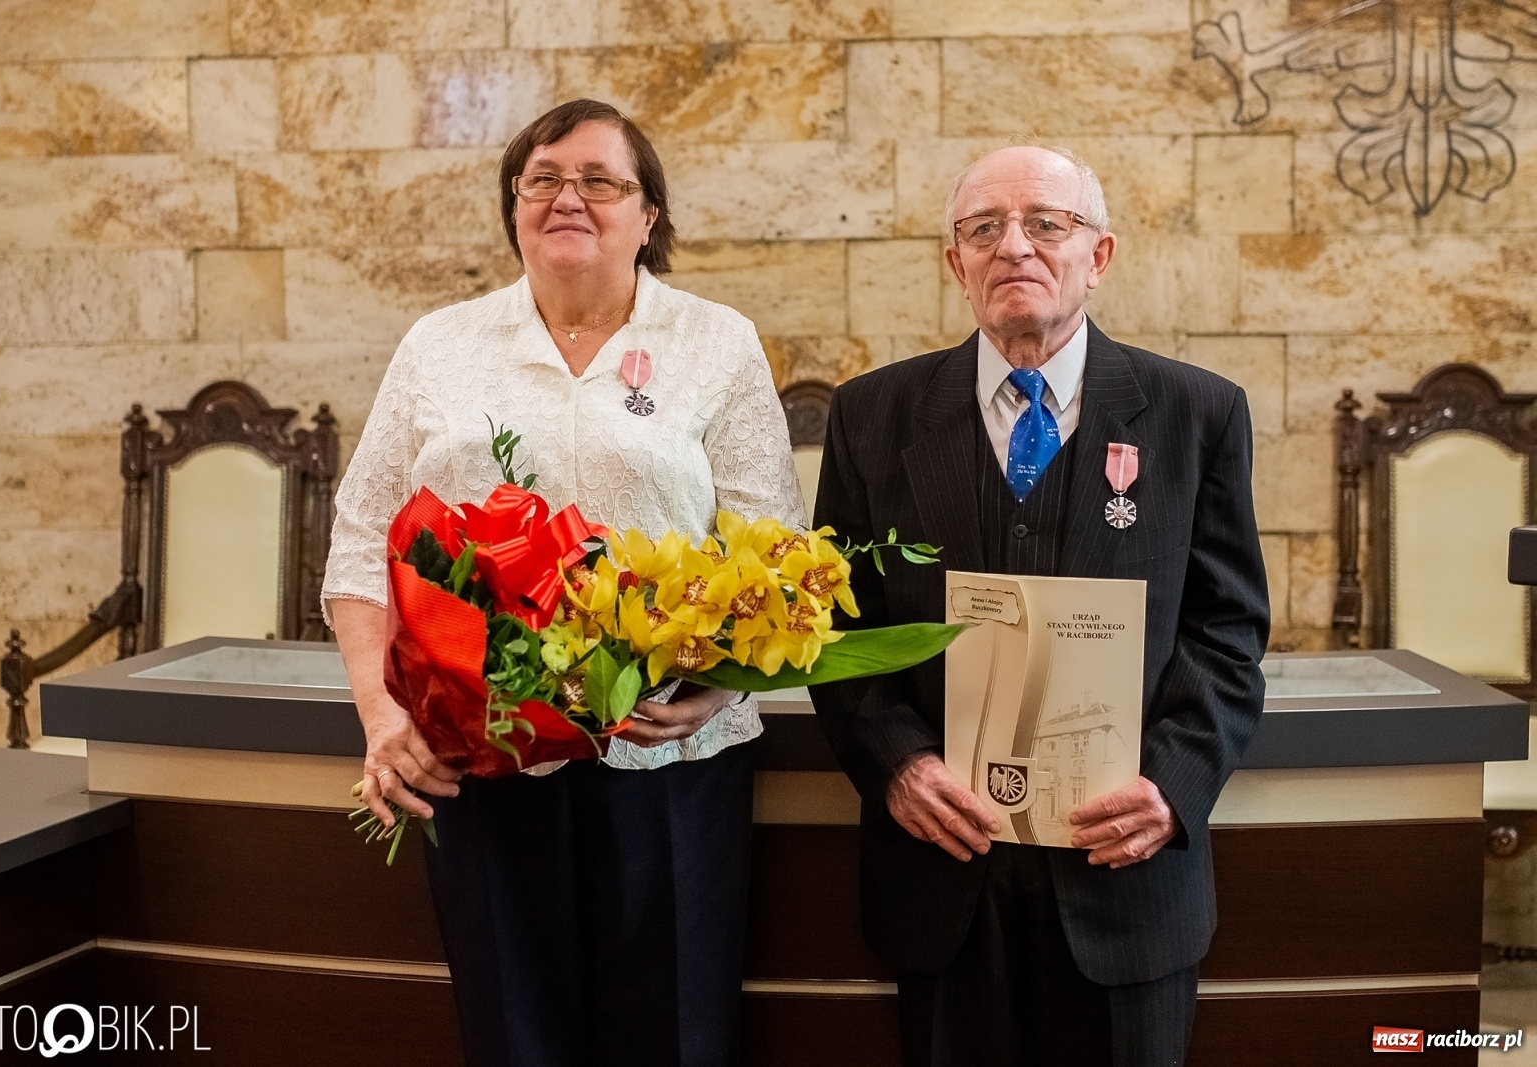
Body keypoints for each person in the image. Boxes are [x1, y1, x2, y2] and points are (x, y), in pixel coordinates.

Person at [323, 98, 806, 1067]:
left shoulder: (717, 342)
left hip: (670, 757)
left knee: (674, 1035)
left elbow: (777, 552)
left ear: (648, 214)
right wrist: (382, 713)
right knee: (513, 1034)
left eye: (598, 180)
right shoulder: (440, 345)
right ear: (512, 207)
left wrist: (719, 684)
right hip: (482, 750)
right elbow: (360, 540)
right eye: (541, 178)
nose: (566, 197)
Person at [809, 142, 1270, 1066]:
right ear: (957, 264)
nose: (1013, 246)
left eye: (1045, 224)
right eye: (984, 229)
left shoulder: (1196, 414)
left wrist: (1173, 790)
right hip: (943, 876)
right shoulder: (871, 417)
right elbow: (839, 632)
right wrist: (895, 764)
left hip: (1124, 886)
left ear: (1097, 256)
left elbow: (1227, 634)